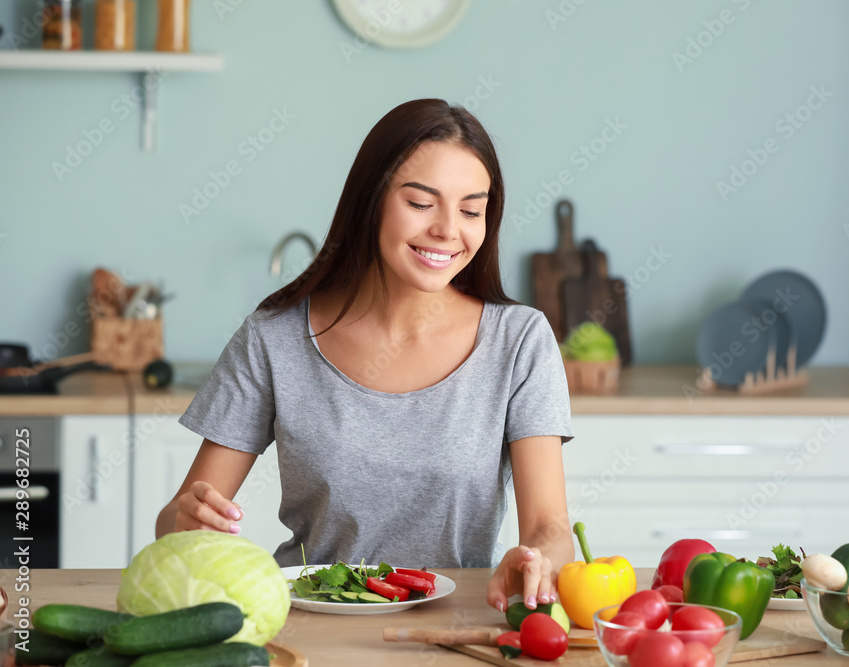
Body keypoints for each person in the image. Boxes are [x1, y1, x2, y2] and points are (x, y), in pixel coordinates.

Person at [155, 99, 575, 612]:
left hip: (456, 628)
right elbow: (176, 519)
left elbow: (548, 527)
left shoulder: (520, 341)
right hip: (310, 625)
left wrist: (539, 561)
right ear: (371, 201)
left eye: (470, 210)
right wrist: (186, 522)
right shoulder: (275, 337)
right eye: (421, 203)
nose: (448, 229)